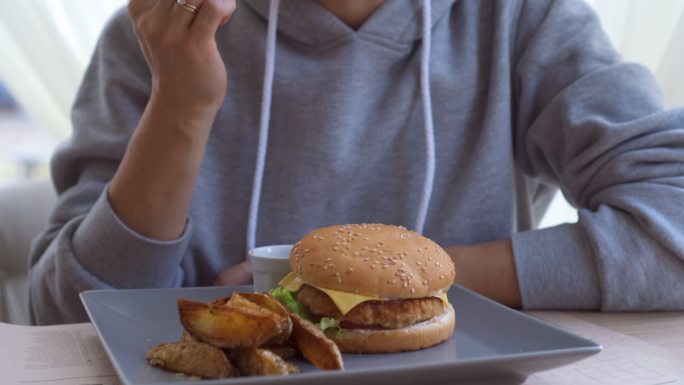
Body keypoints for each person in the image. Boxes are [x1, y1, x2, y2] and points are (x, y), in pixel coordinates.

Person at [28, 0, 684, 325]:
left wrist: (373, 289)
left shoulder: (520, 17)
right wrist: (180, 104)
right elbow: (64, 320)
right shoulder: (157, 34)